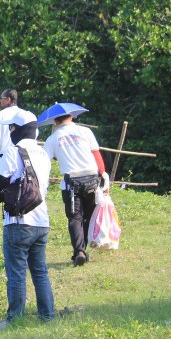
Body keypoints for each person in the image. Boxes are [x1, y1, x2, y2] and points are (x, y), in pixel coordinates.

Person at [0, 111, 54, 328]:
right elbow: (29, 187)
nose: (10, 132)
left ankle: (14, 320)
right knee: (40, 271)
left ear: (19, 129)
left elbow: (0, 183)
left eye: (12, 128)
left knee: (16, 273)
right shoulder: (43, 154)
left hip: (19, 223)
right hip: (41, 222)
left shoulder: (13, 151)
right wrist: (0, 197)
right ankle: (47, 317)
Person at [43, 110, 110, 266]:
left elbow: (44, 162)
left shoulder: (52, 139)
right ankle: (83, 249)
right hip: (92, 180)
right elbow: (96, 155)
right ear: (71, 116)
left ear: (55, 121)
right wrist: (104, 175)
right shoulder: (85, 131)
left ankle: (79, 251)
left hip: (71, 182)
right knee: (88, 216)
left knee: (75, 218)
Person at [0, 89, 23, 166]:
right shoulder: (24, 115)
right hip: (21, 157)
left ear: (8, 100)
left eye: (2, 98)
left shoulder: (0, 115)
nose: (0, 100)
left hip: (5, 157)